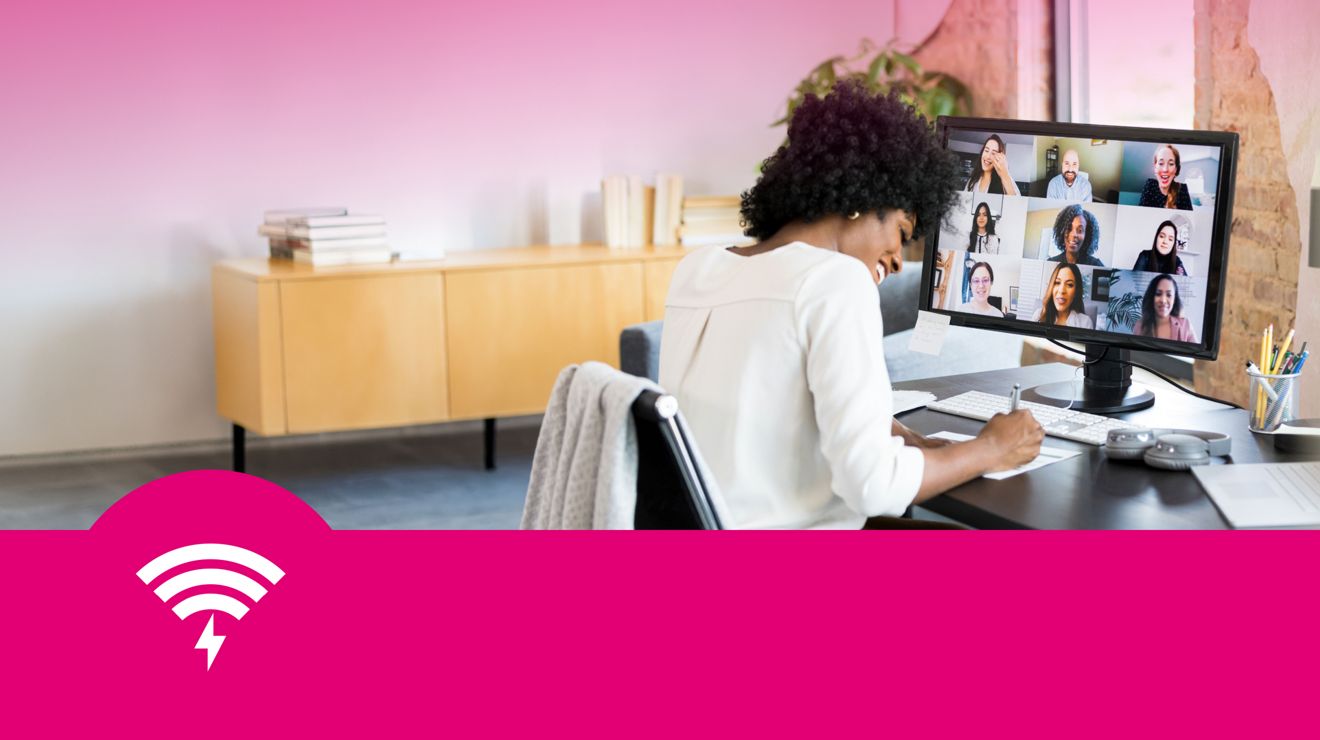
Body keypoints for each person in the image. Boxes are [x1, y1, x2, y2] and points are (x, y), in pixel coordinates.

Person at [657, 81, 1043, 530]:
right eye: (901, 232)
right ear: (864, 198)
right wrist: (990, 449)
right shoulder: (836, 281)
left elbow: (764, 405)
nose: (897, 261)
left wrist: (898, 435)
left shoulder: (697, 269)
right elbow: (873, 488)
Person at [1137, 274, 1198, 342]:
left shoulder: (1185, 325)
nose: (1163, 300)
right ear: (1151, 297)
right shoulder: (1139, 325)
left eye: (1169, 295)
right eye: (1158, 294)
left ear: (1174, 300)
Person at [1032, 262, 1094, 328]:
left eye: (1069, 285)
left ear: (1076, 291)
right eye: (1057, 282)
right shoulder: (1038, 315)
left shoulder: (1085, 323)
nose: (1061, 291)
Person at [1138, 144, 1193, 210]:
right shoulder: (1150, 185)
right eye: (1161, 163)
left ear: (1176, 169)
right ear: (1155, 167)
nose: (1165, 169)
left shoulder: (1182, 189)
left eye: (1171, 164)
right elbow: (1142, 212)